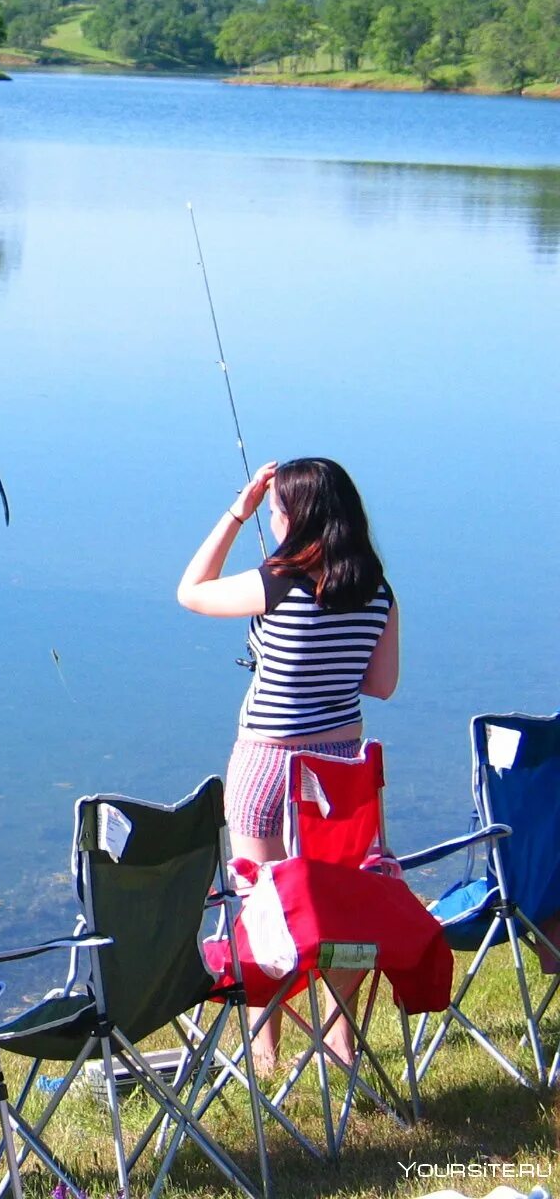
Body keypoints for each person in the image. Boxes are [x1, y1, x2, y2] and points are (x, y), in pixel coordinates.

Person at [177, 457, 400, 1073]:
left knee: (262, 906)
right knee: (337, 905)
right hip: (340, 773)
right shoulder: (376, 589)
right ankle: (341, 1043)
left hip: (268, 766)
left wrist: (234, 511)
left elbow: (190, 591)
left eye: (275, 511)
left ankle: (266, 1051)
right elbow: (381, 685)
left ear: (295, 517)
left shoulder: (277, 581)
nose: (270, 520)